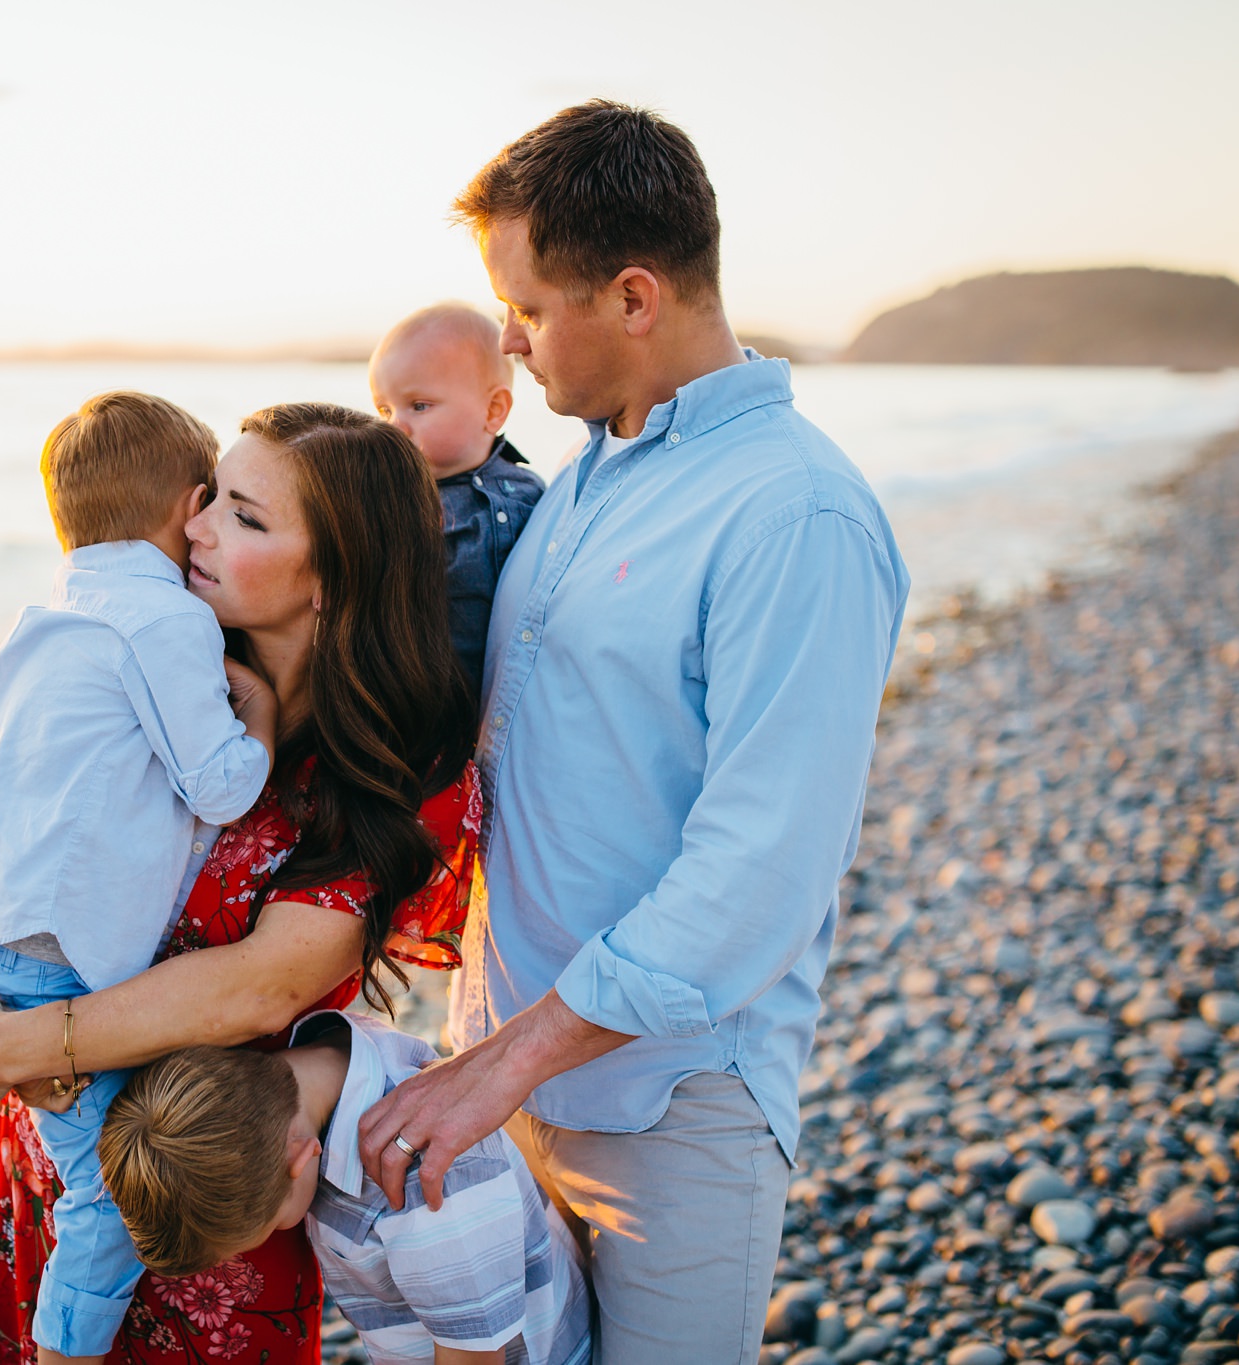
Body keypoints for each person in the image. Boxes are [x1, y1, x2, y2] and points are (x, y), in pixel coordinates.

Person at [357, 101, 912, 1364]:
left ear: (633, 296)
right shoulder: (571, 486)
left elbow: (759, 874)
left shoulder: (793, 516)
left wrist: (502, 1065)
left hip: (672, 1109)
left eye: (528, 308)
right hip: (495, 1072)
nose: (506, 339)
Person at [0, 402, 483, 1365]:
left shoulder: (389, 770)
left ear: (335, 580)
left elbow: (264, 983)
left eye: (246, 519)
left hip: (199, 1215)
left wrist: (10, 1038)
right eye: (211, 497)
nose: (195, 526)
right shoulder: (147, 663)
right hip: (30, 1137)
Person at [0, 390, 279, 1363]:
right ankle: (64, 1347)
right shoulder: (164, 622)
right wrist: (253, 711)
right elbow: (219, 788)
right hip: (67, 945)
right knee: (103, 1192)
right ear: (187, 506)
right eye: (215, 502)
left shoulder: (43, 618)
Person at [99, 1011, 592, 1365]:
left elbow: (475, 1358)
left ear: (301, 1158)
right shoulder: (329, 1054)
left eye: (267, 1228)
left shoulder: (428, 1187)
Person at [368, 302, 546, 697]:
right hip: (418, 700)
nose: (396, 426)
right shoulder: (390, 503)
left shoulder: (531, 494)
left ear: (493, 410)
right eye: (384, 409)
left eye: (418, 406)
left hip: (509, 704)